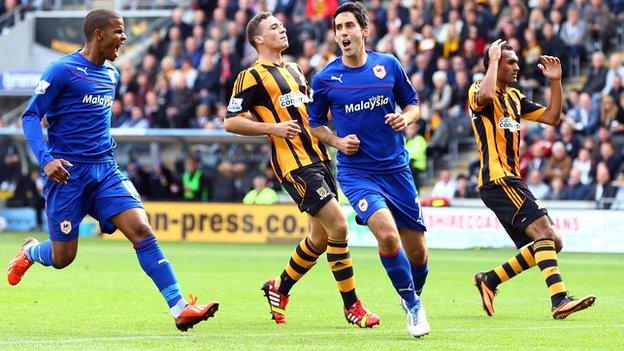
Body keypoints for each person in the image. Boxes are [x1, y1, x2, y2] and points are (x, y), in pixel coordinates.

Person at [6, 9, 218, 332]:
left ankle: (180, 307)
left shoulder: (112, 75)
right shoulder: (62, 71)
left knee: (141, 229)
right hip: (67, 173)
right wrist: (46, 159)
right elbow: (31, 117)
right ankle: (31, 251)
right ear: (99, 34)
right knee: (63, 257)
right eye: (119, 31)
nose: (124, 38)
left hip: (105, 169)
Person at [223, 11, 379, 328]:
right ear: (258, 39)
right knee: (339, 225)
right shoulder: (251, 76)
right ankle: (353, 307)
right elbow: (230, 121)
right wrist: (274, 128)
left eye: (281, 24)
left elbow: (313, 117)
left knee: (319, 239)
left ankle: (279, 288)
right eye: (273, 27)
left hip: (320, 158)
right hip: (293, 163)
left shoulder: (294, 69)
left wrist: (336, 140)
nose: (282, 29)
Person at [307, 2, 430, 337]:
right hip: (356, 173)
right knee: (388, 236)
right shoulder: (325, 78)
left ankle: (412, 295)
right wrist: (336, 141)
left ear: (364, 30)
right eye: (338, 28)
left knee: (418, 253)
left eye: (349, 26)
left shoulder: (387, 65)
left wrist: (405, 118)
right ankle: (413, 307)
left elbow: (414, 104)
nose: (343, 33)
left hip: (396, 169)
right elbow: (314, 124)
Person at [468, 39, 595, 320]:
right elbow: (486, 97)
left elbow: (551, 118)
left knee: (553, 241)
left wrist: (555, 82)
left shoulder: (514, 97)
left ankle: (490, 280)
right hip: (498, 180)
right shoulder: (478, 90)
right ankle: (559, 299)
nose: (517, 66)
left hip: (512, 181)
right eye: (510, 61)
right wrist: (491, 59)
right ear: (494, 64)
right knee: (545, 235)